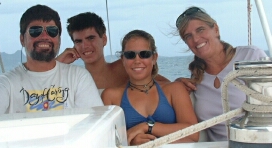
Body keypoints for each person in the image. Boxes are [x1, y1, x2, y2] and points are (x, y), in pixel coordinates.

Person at [0, 5, 103, 116]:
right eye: (36, 31)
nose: (45, 36)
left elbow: (95, 122)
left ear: (59, 38)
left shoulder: (79, 77)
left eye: (52, 31)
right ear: (22, 39)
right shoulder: (5, 84)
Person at [174, 6, 268, 141]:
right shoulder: (197, 79)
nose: (195, 39)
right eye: (188, 36)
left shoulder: (251, 56)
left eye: (200, 30)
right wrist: (177, 85)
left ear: (216, 29)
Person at [101, 30, 199, 145]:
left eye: (144, 54)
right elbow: (108, 143)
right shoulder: (111, 96)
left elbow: (193, 134)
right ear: (123, 60)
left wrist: (147, 127)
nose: (137, 60)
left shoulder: (175, 89)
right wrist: (132, 144)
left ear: (154, 58)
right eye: (130, 55)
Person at [56, 12, 170, 94]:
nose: (85, 46)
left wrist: (181, 83)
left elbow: (165, 85)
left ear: (104, 39)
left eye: (91, 38)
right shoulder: (73, 77)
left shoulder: (123, 68)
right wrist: (58, 63)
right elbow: (41, 85)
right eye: (78, 41)